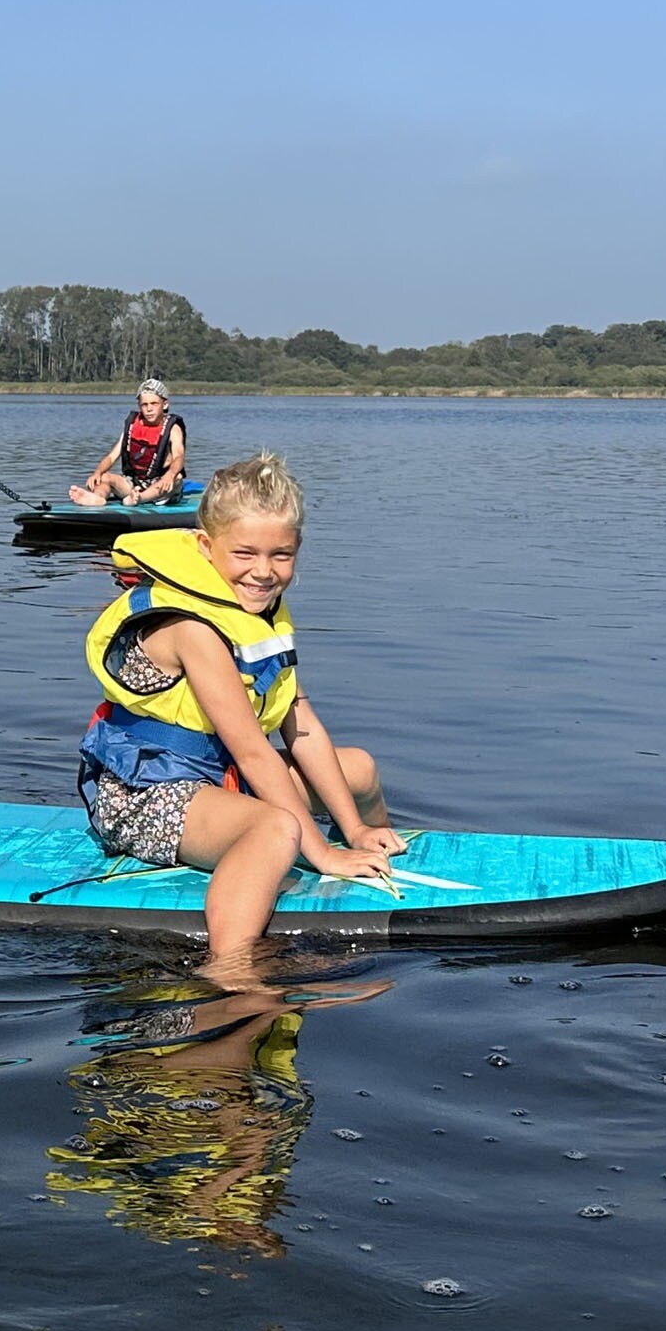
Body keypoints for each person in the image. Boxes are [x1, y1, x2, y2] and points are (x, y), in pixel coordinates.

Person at [73, 452, 407, 969]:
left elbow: (303, 727)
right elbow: (253, 752)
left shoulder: (260, 612)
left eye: (281, 555)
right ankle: (230, 970)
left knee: (357, 769)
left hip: (217, 781)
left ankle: (379, 852)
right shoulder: (193, 626)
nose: (264, 572)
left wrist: (356, 831)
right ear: (207, 546)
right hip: (144, 797)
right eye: (246, 553)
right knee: (277, 829)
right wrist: (321, 852)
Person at [69, 379, 189, 506]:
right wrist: (97, 472)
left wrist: (170, 475)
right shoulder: (132, 426)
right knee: (105, 477)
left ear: (164, 405)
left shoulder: (173, 429)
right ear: (139, 406)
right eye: (144, 404)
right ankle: (98, 498)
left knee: (177, 478)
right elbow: (111, 457)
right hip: (134, 483)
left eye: (154, 404)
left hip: (161, 484)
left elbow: (179, 457)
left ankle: (139, 499)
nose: (149, 409)